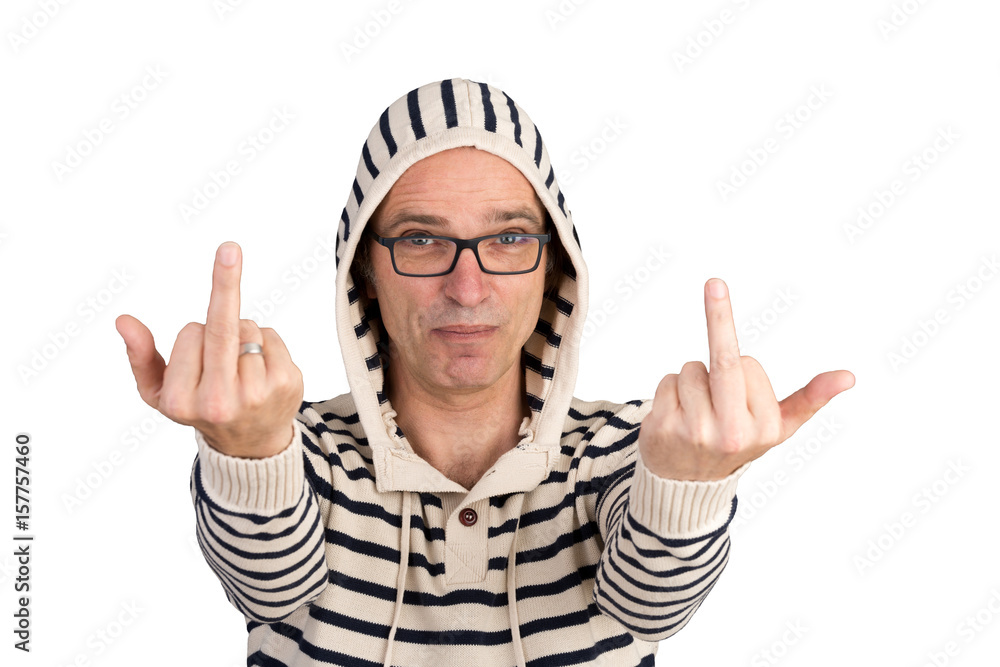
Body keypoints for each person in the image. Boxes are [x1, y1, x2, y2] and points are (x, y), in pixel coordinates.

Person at [116, 78, 854, 666]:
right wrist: (247, 452)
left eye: (508, 238)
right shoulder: (297, 451)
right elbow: (269, 586)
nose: (467, 288)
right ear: (364, 270)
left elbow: (652, 606)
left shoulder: (625, 449)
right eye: (421, 239)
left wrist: (686, 486)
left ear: (553, 267)